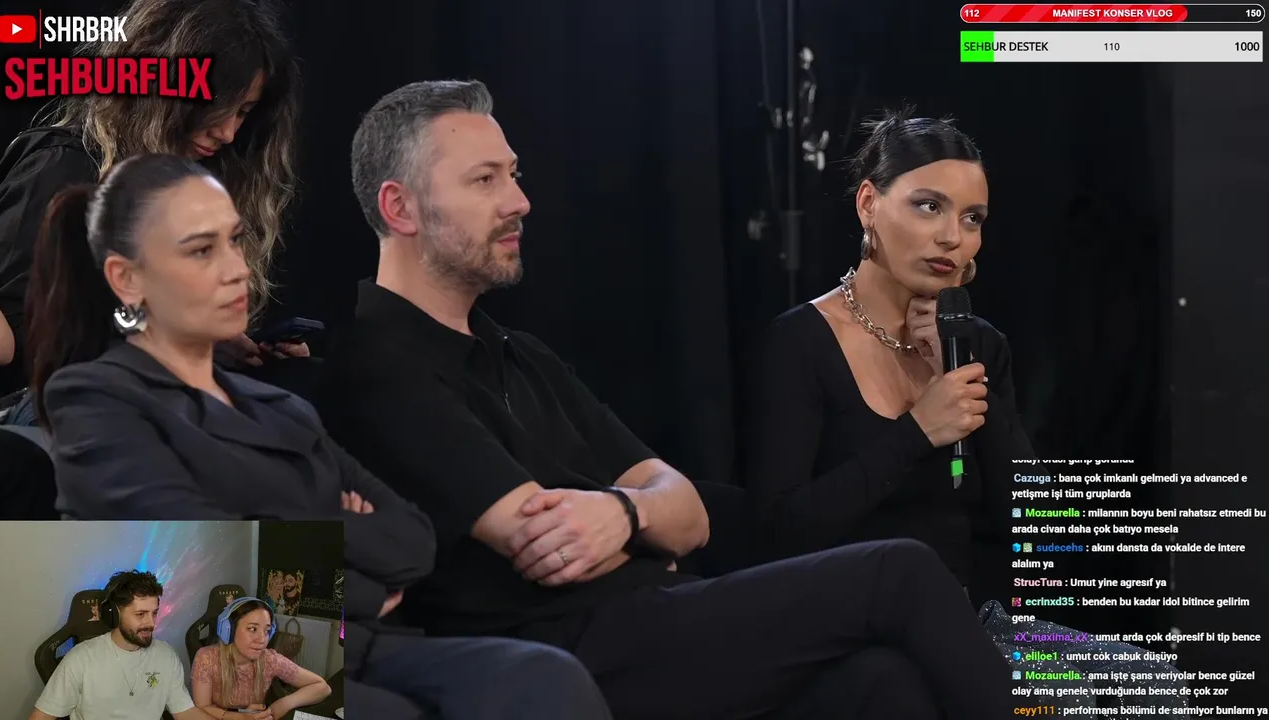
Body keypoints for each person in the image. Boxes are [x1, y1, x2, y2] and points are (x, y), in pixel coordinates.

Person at [322, 79, 1016, 720]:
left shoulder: (523, 355)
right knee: (897, 572)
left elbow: (689, 514)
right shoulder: (378, 362)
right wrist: (641, 514)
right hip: (566, 641)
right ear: (399, 208)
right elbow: (548, 541)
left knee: (881, 682)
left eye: (514, 175)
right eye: (485, 180)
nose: (519, 201)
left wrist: (625, 513)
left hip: (658, 609)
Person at [740, 109, 1186, 711]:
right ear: (869, 204)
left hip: (966, 624)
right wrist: (917, 432)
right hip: (842, 629)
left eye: (972, 218)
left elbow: (1038, 528)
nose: (953, 236)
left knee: (1149, 686)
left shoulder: (977, 344)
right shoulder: (799, 343)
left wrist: (968, 384)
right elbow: (779, 531)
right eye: (929, 206)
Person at [28, 153, 400, 519]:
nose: (238, 270)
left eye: (235, 241)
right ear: (127, 279)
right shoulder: (97, 404)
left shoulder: (279, 405)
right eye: (202, 251)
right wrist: (335, 533)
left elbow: (400, 532)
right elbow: (202, 551)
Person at [0, 0, 304, 406]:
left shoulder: (175, 187)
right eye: (216, 106)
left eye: (243, 112)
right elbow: (13, 336)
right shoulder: (64, 167)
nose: (228, 132)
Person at [344, 466, 616, 719]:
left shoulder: (319, 441)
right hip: (320, 645)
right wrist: (358, 544)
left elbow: (417, 550)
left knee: (549, 676)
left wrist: (339, 546)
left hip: (364, 637)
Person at [29, 570, 210, 720]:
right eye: (140, 614)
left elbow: (185, 712)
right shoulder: (81, 659)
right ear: (113, 615)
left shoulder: (166, 656)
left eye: (154, 613)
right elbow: (42, 716)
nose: (151, 623)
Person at [190, 597, 331, 719]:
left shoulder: (269, 659)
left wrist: (284, 703)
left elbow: (322, 687)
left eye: (267, 631)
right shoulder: (207, 658)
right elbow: (202, 707)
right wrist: (239, 717)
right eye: (252, 629)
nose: (262, 640)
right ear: (229, 630)